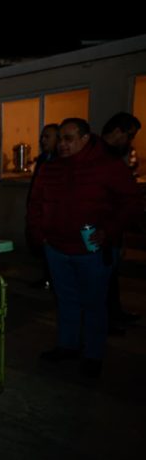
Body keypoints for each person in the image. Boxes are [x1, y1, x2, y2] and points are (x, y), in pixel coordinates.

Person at [28, 118, 140, 377]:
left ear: (85, 139)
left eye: (69, 138)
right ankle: (68, 345)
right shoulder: (50, 168)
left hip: (92, 251)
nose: (62, 144)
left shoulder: (107, 167)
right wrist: (39, 235)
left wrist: (109, 231)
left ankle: (93, 354)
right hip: (56, 248)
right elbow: (35, 204)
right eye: (60, 139)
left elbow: (132, 202)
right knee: (66, 300)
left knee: (94, 304)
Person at [100, 112, 142, 334]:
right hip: (100, 232)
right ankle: (103, 321)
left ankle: (113, 314)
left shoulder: (112, 157)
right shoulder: (99, 157)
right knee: (99, 281)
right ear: (118, 132)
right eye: (130, 135)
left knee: (110, 277)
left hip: (111, 231)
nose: (130, 142)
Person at [26, 124, 60, 290]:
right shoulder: (43, 159)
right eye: (42, 136)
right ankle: (47, 278)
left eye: (48, 136)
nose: (43, 140)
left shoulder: (61, 161)